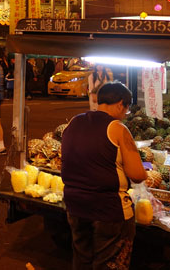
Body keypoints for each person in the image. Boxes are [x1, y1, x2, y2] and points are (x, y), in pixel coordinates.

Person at [61, 81, 146, 270]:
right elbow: (138, 174)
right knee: (109, 264)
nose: (125, 115)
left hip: (75, 206)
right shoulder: (117, 128)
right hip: (108, 210)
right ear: (120, 104)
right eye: (126, 109)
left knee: (82, 259)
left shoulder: (74, 122)